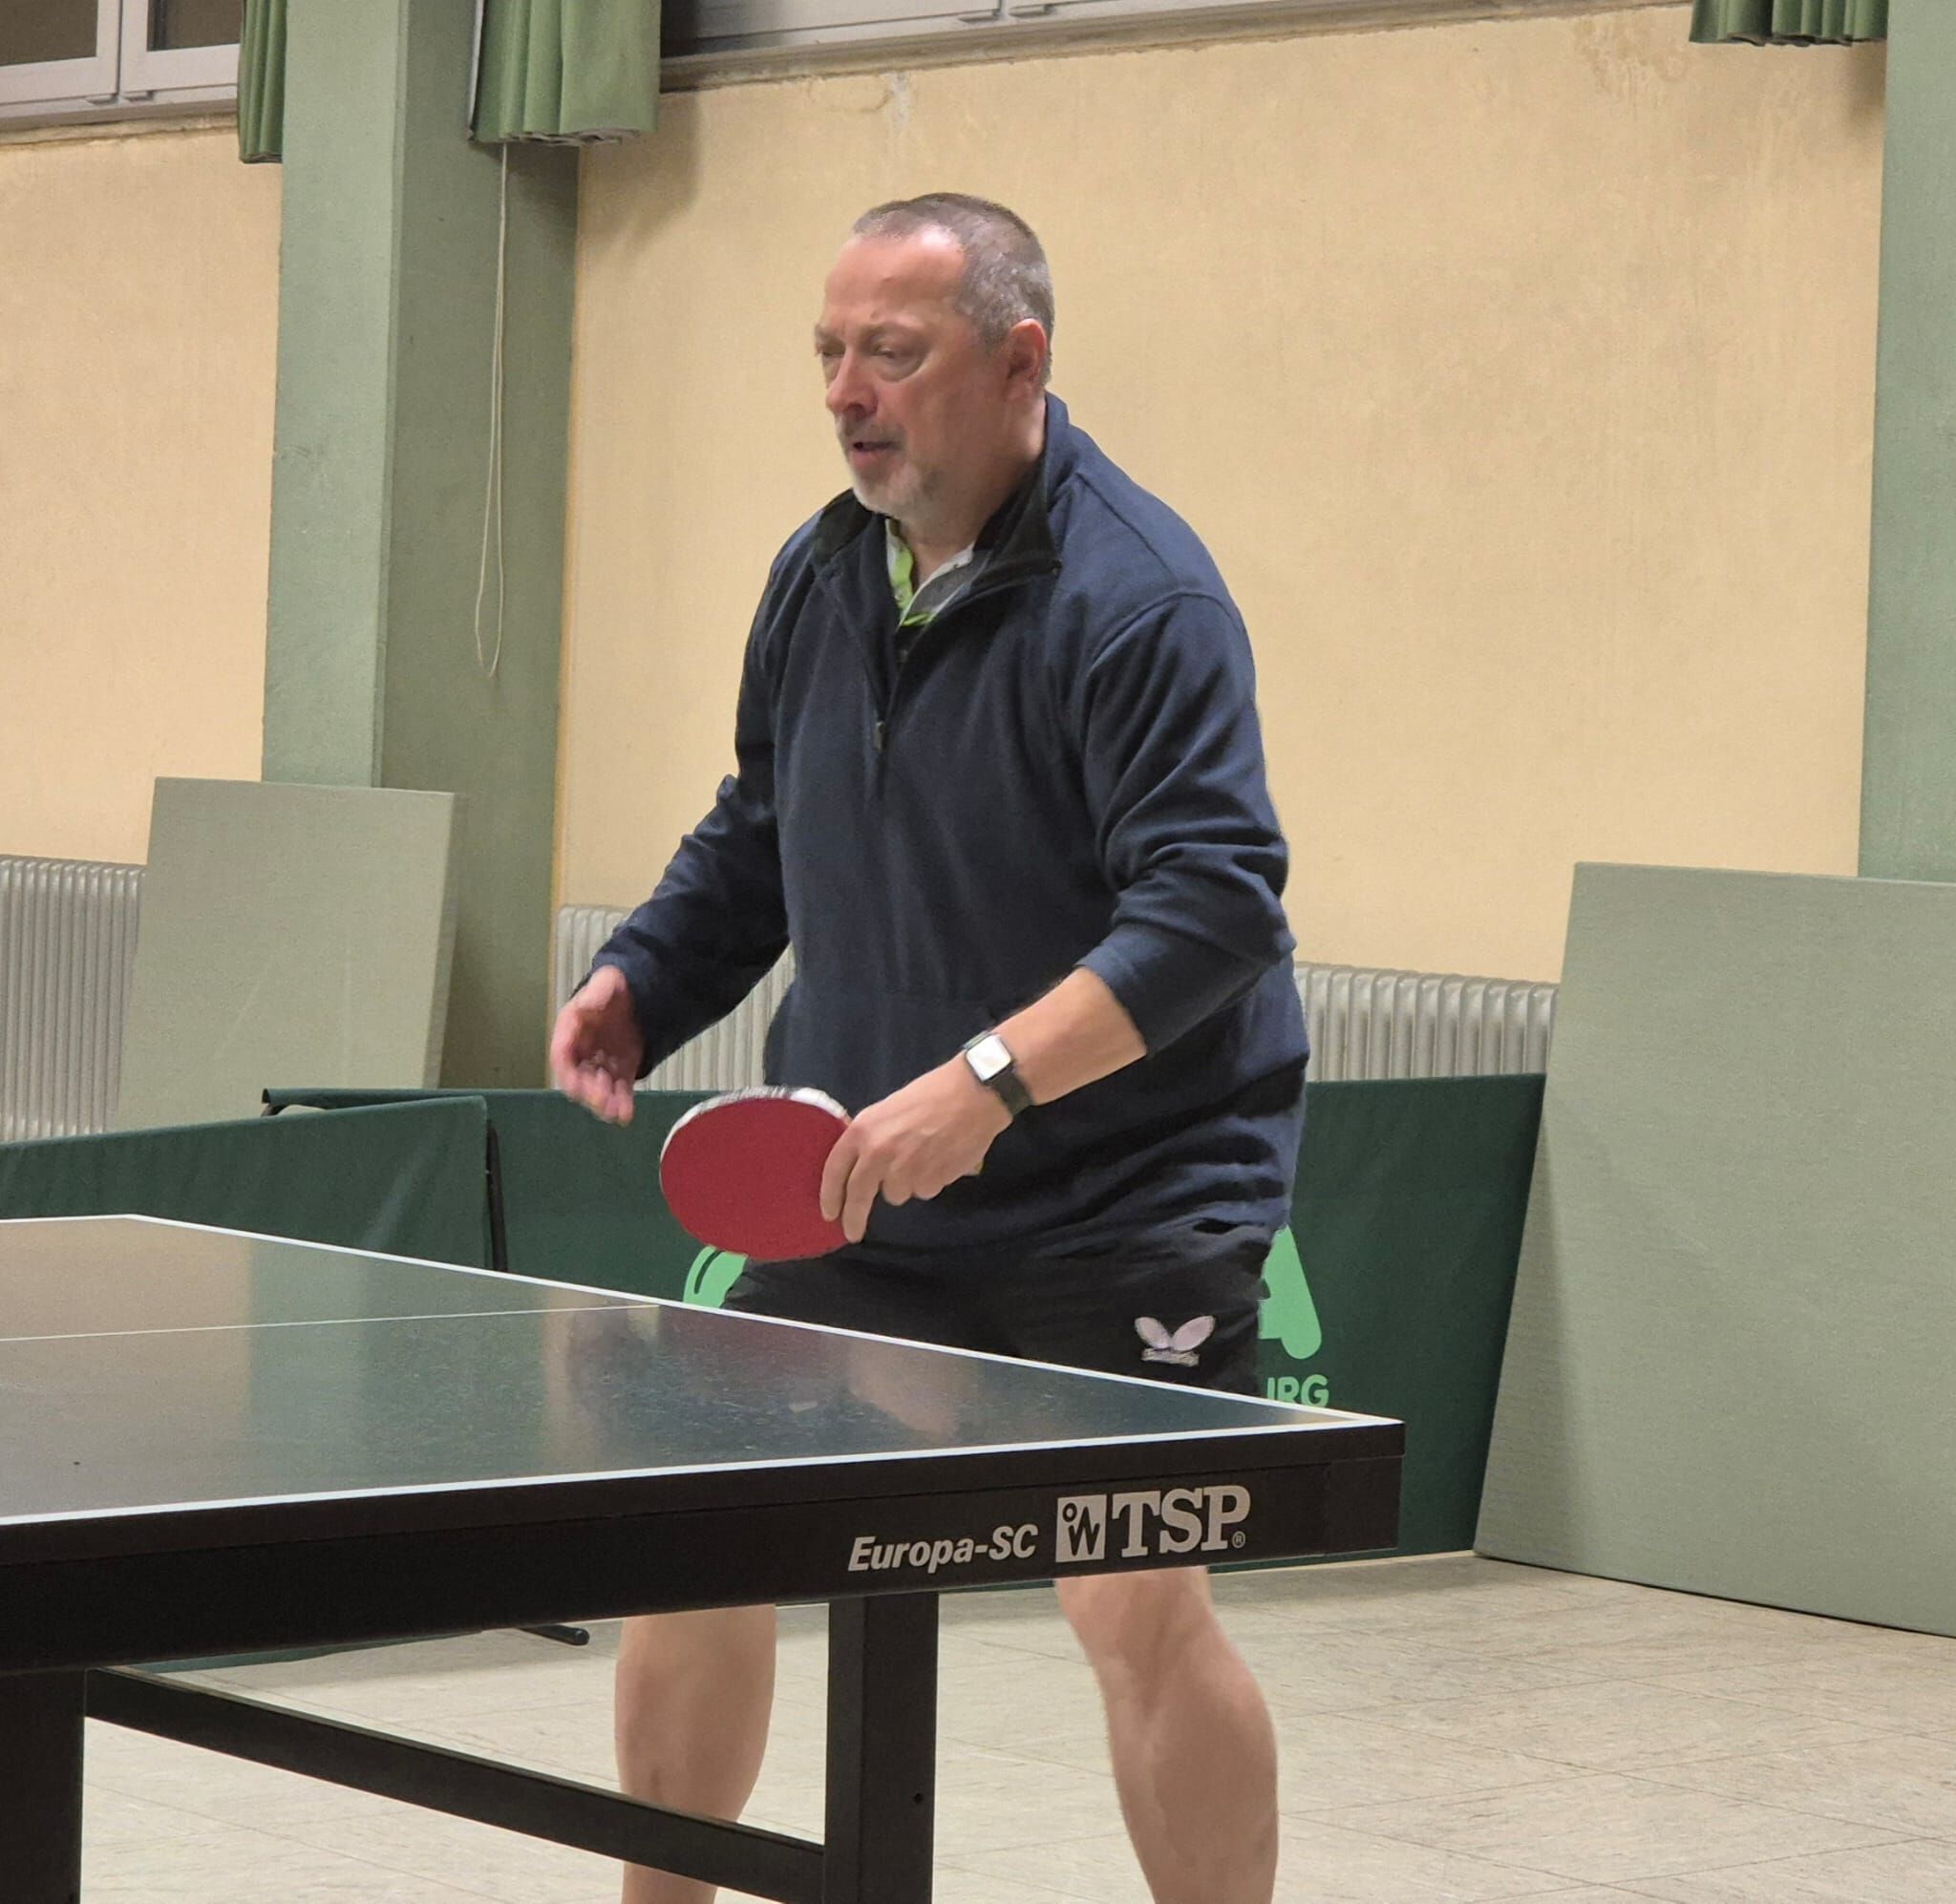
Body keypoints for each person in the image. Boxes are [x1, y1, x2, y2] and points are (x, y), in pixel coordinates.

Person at [550, 192, 1308, 1904]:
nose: (846, 390)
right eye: (829, 351)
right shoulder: (825, 571)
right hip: (867, 1176)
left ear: (1018, 361)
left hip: (1125, 1193)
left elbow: (1214, 905)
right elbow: (767, 824)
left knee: (1132, 1598)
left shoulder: (1140, 598)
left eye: (891, 352)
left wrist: (990, 1082)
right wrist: (648, 975)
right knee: (701, 1536)